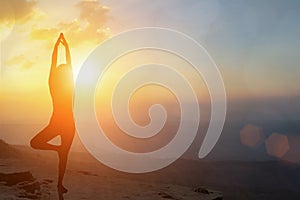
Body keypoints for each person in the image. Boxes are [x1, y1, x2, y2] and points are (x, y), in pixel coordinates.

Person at [30, 33, 75, 194]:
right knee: (61, 154)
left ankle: (60, 185)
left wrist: (57, 47)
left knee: (36, 143)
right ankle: (58, 151)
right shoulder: (69, 88)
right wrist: (65, 47)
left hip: (60, 123)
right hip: (66, 124)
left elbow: (55, 65)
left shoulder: (55, 86)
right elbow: (69, 65)